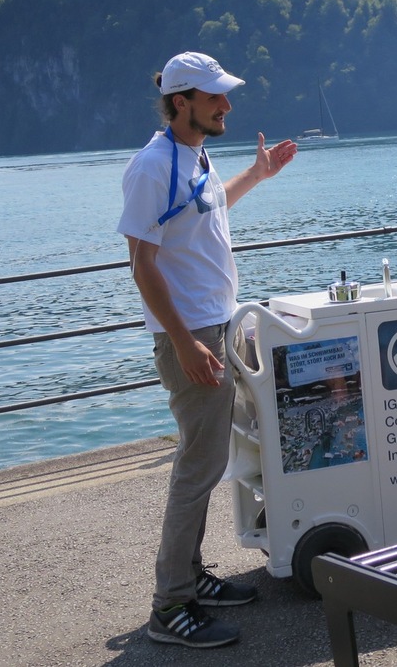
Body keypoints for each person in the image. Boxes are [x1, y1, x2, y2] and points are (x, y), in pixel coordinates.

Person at [116, 51, 297, 649]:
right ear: (180, 102)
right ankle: (170, 606)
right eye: (215, 96)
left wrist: (258, 175)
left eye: (224, 95)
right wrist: (184, 341)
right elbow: (142, 266)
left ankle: (190, 577)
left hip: (212, 329)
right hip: (190, 338)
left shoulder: (196, 156)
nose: (227, 105)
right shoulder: (153, 166)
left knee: (208, 462)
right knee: (197, 470)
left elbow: (210, 210)